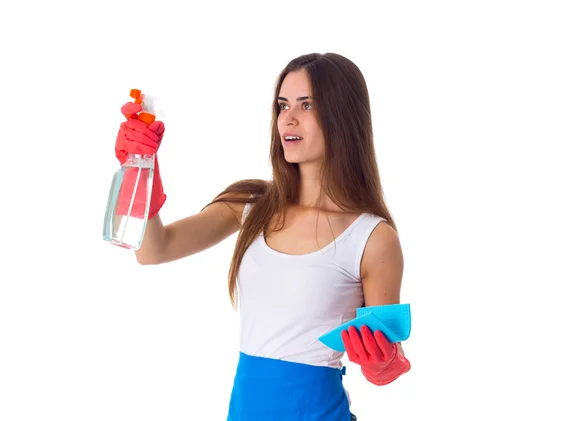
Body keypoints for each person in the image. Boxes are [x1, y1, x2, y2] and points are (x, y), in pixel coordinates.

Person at [114, 52, 411, 421]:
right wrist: (139, 167)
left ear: (343, 116)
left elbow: (387, 362)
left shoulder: (373, 238)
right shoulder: (250, 205)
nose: (288, 117)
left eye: (307, 105)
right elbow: (153, 251)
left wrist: (384, 362)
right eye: (282, 105)